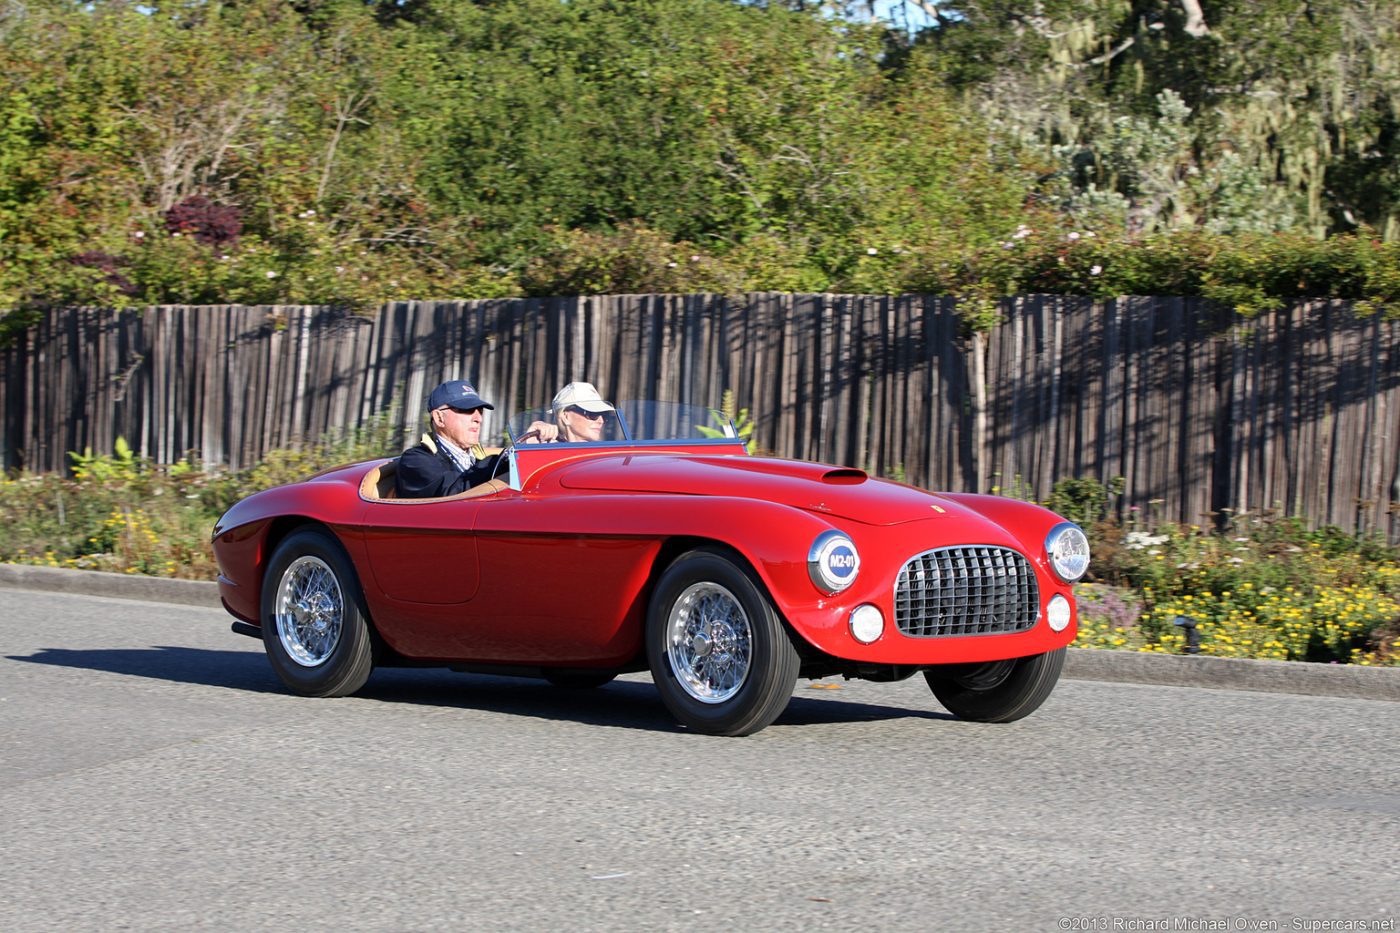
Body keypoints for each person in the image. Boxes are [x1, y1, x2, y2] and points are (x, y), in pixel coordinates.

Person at [395, 379, 504, 498]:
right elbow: (452, 491)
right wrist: (501, 462)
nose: (478, 419)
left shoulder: (477, 458)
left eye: (480, 411)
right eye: (467, 410)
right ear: (439, 418)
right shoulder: (415, 460)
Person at [549, 381, 615, 442]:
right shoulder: (547, 447)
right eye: (593, 413)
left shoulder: (608, 450)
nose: (601, 421)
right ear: (565, 417)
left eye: (603, 414)